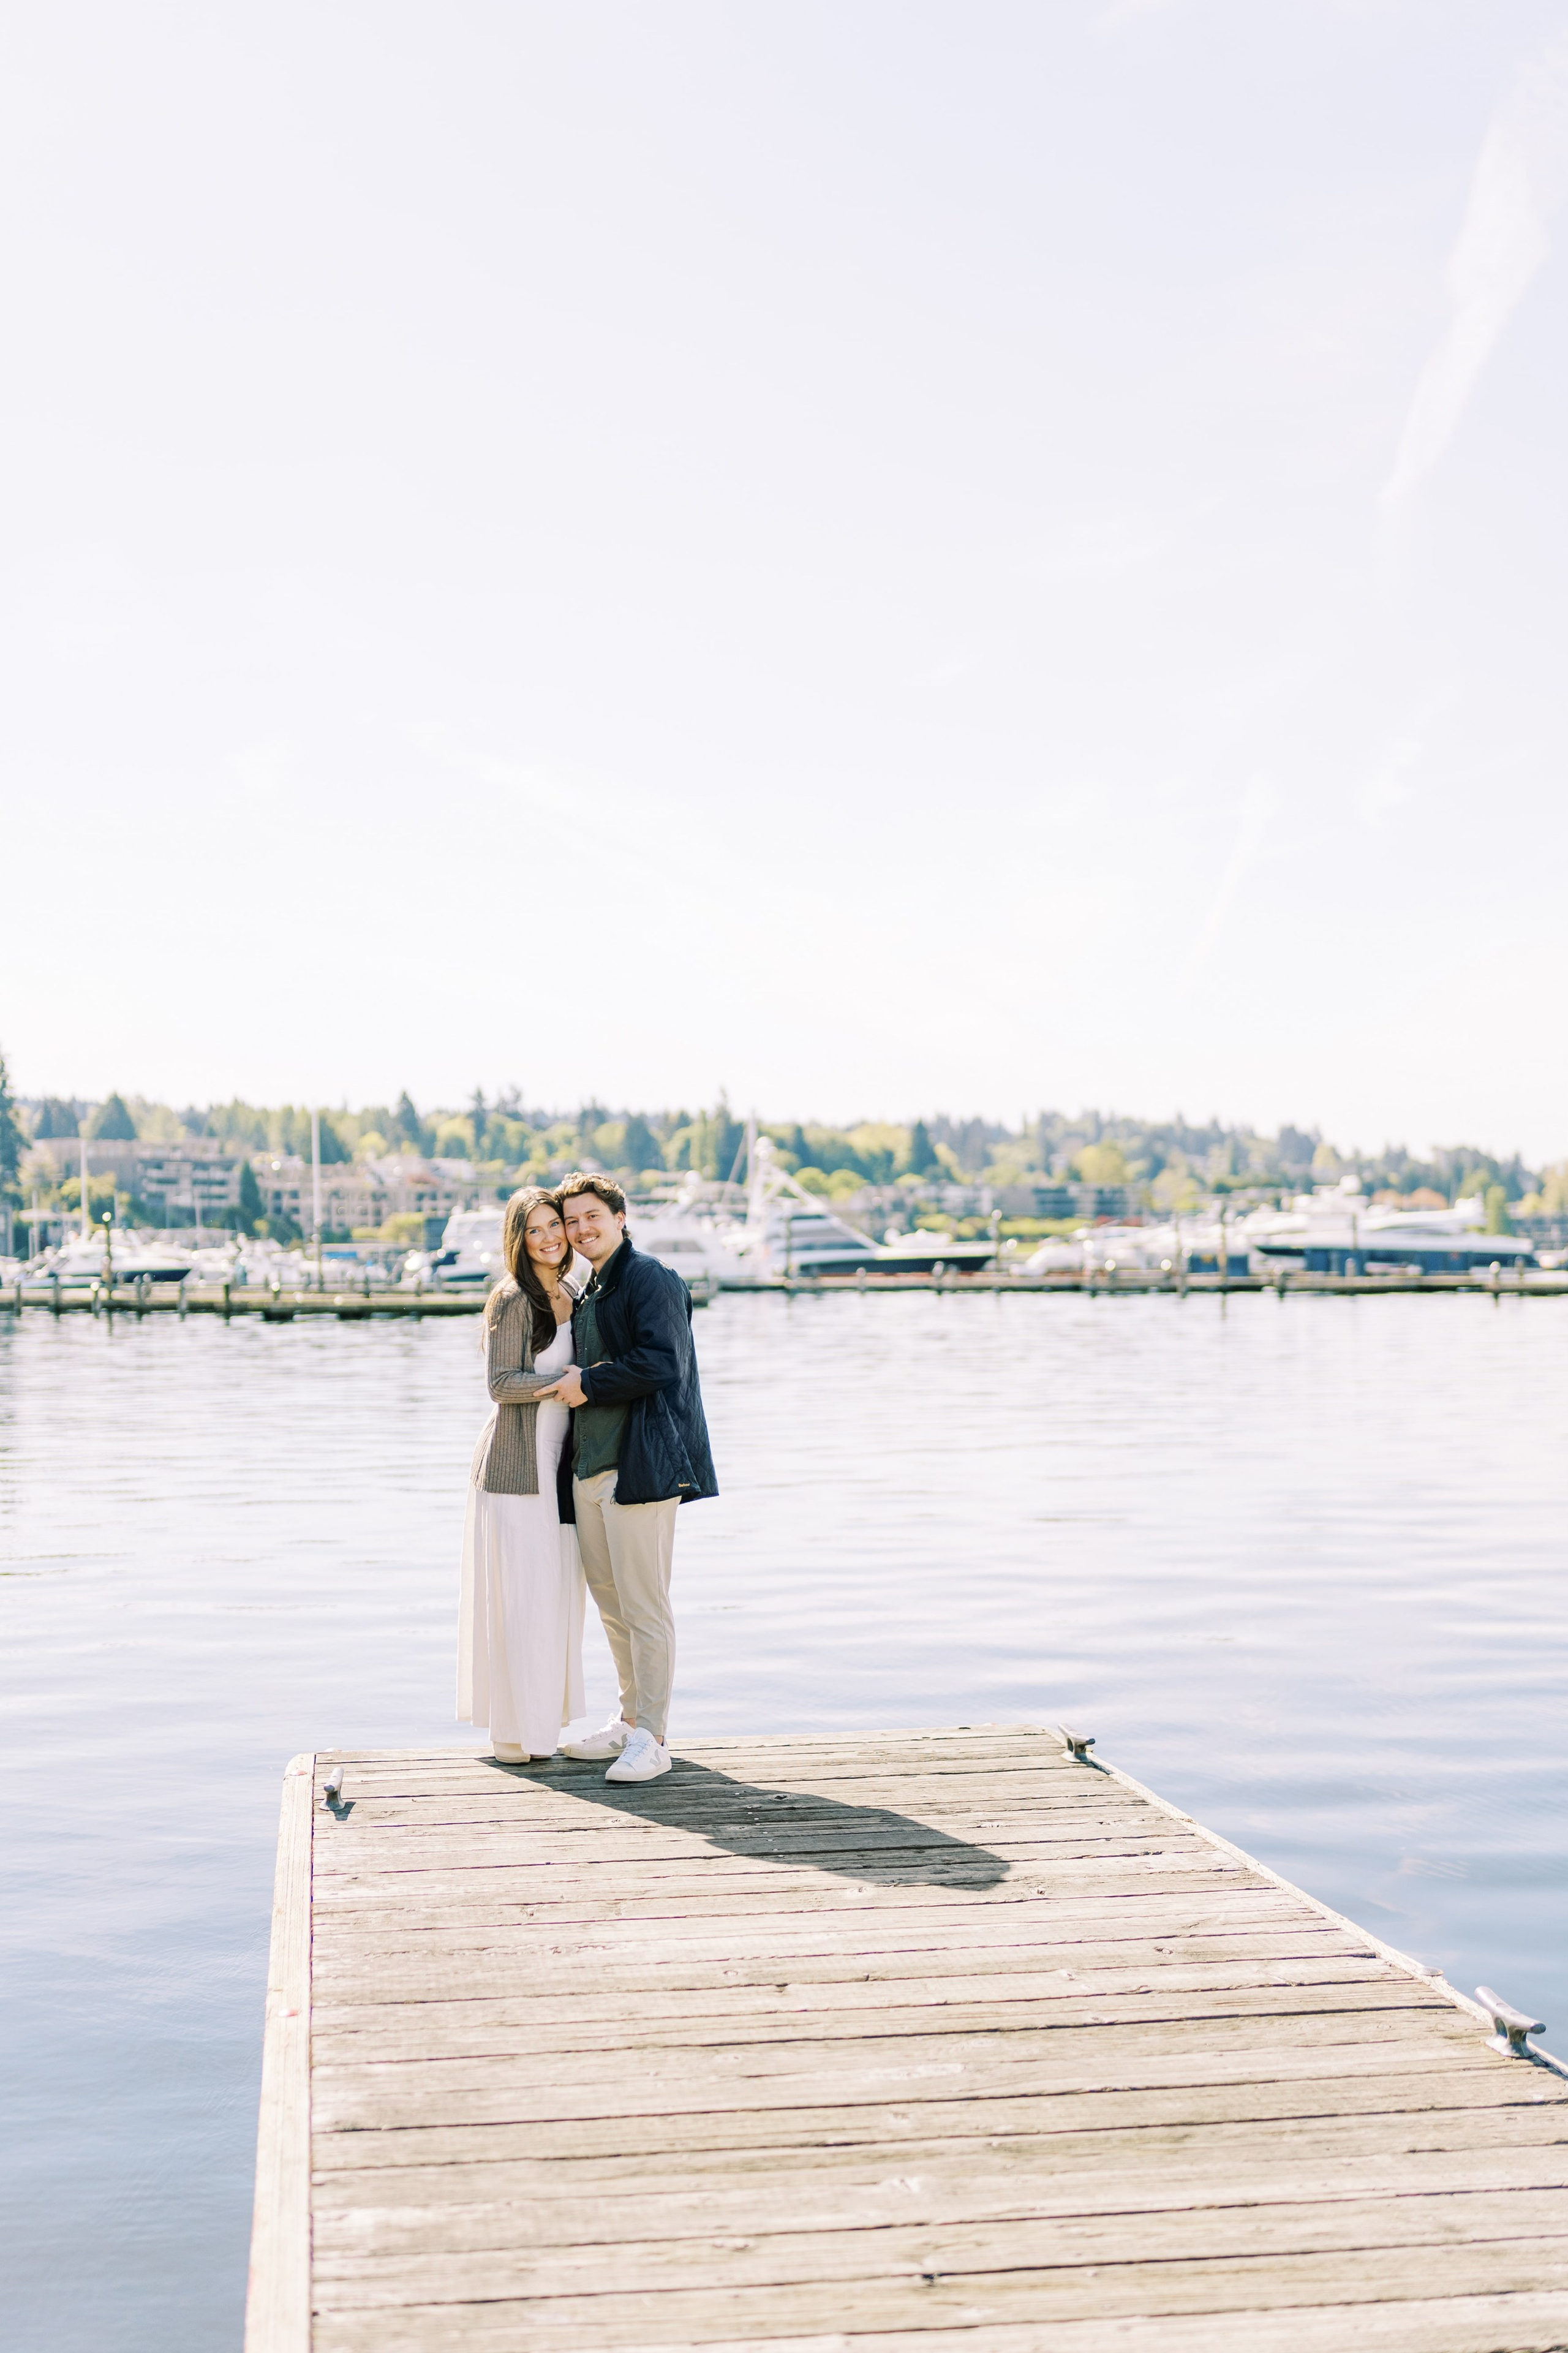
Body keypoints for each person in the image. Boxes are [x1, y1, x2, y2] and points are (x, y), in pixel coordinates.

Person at [535, 1173, 717, 1783]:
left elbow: (664, 1362)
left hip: (638, 1468)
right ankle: (628, 1720)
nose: (581, 1229)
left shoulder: (650, 1278)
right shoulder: (590, 1288)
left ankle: (654, 1737)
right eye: (571, 1221)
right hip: (590, 1469)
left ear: (619, 1216)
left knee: (645, 1607)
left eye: (592, 1216)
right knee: (612, 1607)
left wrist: (588, 1382)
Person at [457, 1188, 592, 1763]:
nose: (548, 1238)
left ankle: (542, 1728)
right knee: (524, 1596)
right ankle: (514, 1735)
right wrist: (561, 1384)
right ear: (518, 1239)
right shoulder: (513, 1298)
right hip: (517, 1464)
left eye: (553, 1226)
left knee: (554, 1594)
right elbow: (499, 1384)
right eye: (533, 1230)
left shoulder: (569, 1291)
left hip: (560, 1463)